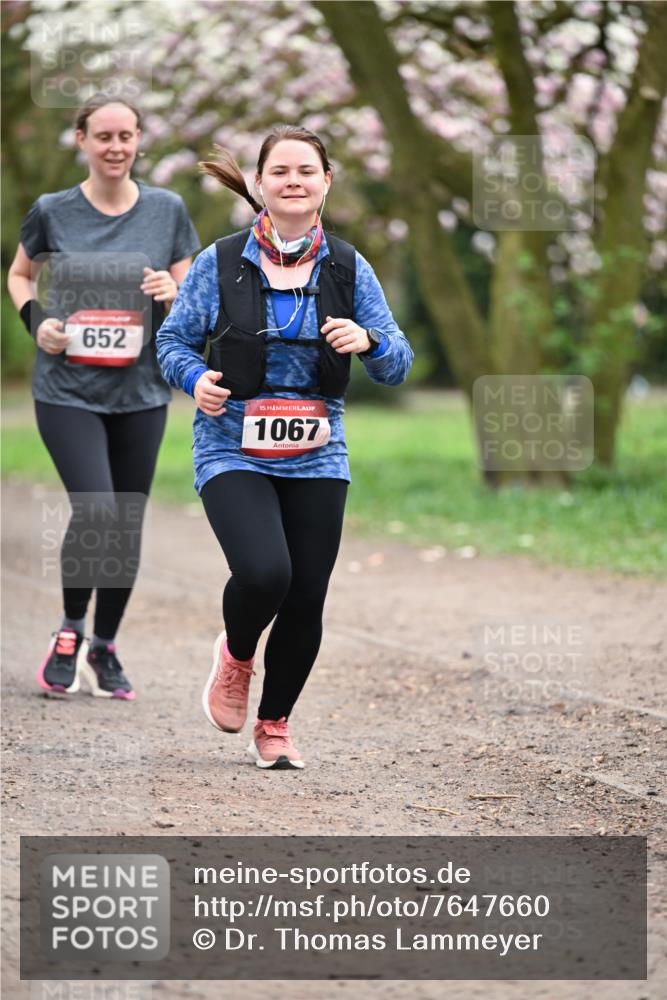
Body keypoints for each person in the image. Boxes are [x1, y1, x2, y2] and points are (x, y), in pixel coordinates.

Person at [157, 125, 412, 768]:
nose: (293, 181)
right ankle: (237, 655)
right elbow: (172, 343)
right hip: (231, 443)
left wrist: (371, 343)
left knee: (306, 593)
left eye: (307, 171)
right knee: (267, 571)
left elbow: (397, 362)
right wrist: (196, 380)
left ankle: (274, 724)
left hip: (317, 448)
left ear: (327, 182)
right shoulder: (219, 263)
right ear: (261, 185)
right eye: (280, 172)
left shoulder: (350, 267)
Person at [7, 94, 200, 700]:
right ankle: (70, 630)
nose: (116, 146)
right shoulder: (52, 210)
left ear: (140, 140)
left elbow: (189, 292)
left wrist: (170, 287)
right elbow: (19, 273)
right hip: (67, 388)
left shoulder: (167, 209)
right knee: (96, 510)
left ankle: (106, 646)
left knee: (126, 521)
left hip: (141, 389)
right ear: (82, 141)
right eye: (104, 136)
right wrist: (37, 321)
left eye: (127, 135)